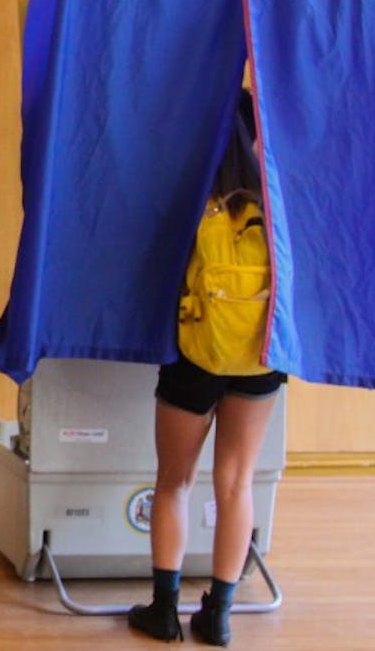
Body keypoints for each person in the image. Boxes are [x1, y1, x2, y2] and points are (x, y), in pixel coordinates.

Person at [128, 94, 285, 646]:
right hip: (259, 360)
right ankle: (218, 614)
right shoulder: (273, 200)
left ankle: (164, 612)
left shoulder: (189, 197)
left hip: (195, 356)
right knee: (236, 484)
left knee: (173, 483)